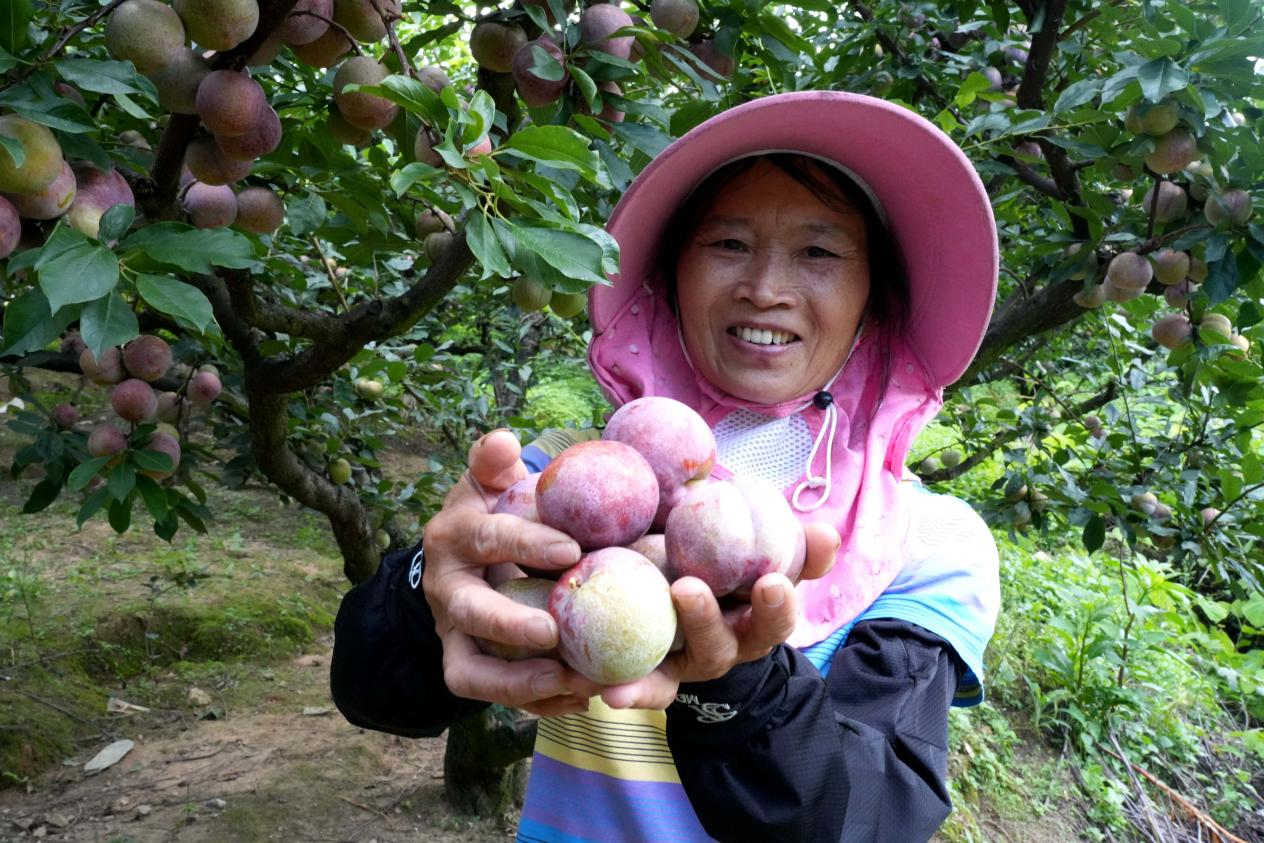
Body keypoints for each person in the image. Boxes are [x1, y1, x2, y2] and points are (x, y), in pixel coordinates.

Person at [330, 91, 1002, 842]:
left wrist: (737, 679)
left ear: (874, 297)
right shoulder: (564, 478)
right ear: (669, 278)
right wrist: (427, 583)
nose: (765, 289)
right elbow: (371, 692)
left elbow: (871, 820)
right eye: (728, 243)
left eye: (819, 252)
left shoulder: (925, 545)